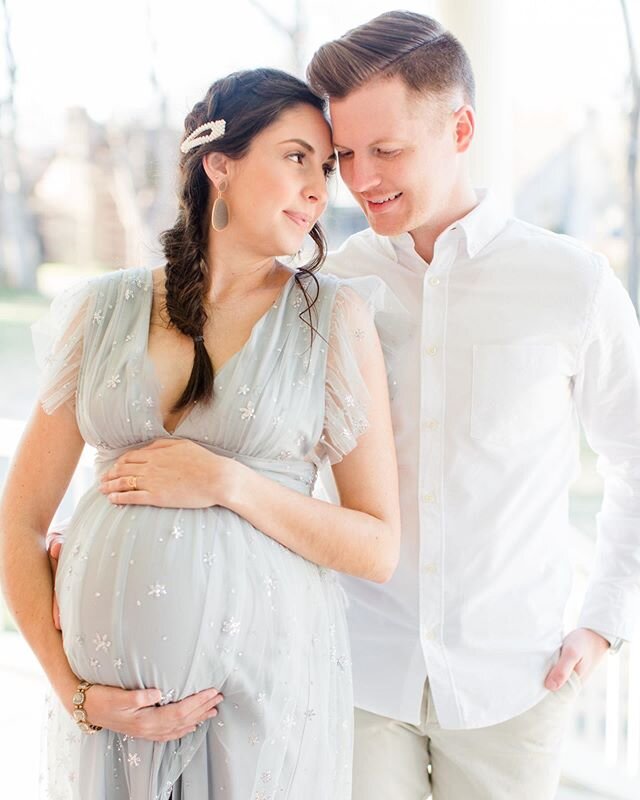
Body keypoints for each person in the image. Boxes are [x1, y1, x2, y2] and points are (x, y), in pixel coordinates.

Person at [0, 67, 402, 800]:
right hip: (110, 727)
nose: (320, 188)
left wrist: (227, 482)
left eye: (327, 165)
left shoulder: (332, 320)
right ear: (220, 164)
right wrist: (78, 695)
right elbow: (20, 522)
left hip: (267, 699)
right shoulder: (101, 310)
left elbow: (377, 546)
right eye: (296, 157)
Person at [310, 10, 639, 800]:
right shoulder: (332, 283)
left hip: (513, 684)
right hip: (358, 671)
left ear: (460, 129)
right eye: (344, 154)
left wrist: (602, 620)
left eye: (386, 150)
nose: (360, 179)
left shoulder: (573, 283)